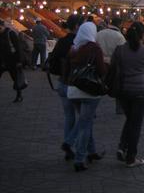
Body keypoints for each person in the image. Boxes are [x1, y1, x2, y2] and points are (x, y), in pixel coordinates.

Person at [111, 22, 144, 167]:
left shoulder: (120, 50)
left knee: (130, 119)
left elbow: (113, 65)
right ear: (142, 35)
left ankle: (122, 147)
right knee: (135, 124)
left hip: (123, 90)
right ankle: (131, 157)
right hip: (140, 92)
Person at [65, 22, 107, 172]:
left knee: (86, 122)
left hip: (72, 90)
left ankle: (92, 152)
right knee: (84, 124)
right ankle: (79, 158)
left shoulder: (74, 48)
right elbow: (101, 70)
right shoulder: (94, 48)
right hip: (88, 91)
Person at [48, 14, 83, 160]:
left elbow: (53, 62)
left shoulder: (61, 41)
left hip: (62, 83)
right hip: (75, 84)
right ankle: (70, 143)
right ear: (76, 26)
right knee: (85, 117)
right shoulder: (78, 42)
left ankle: (69, 146)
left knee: (69, 116)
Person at [96, 17, 126, 114]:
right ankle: (119, 108)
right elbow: (122, 53)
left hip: (100, 63)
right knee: (118, 86)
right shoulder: (119, 36)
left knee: (98, 86)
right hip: (114, 64)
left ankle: (94, 108)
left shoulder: (99, 34)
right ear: (120, 24)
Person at [0, 20, 25, 102]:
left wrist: (19, 61)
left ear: (2, 26)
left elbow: (18, 48)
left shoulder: (10, 33)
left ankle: (19, 95)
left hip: (12, 60)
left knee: (15, 78)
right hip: (2, 60)